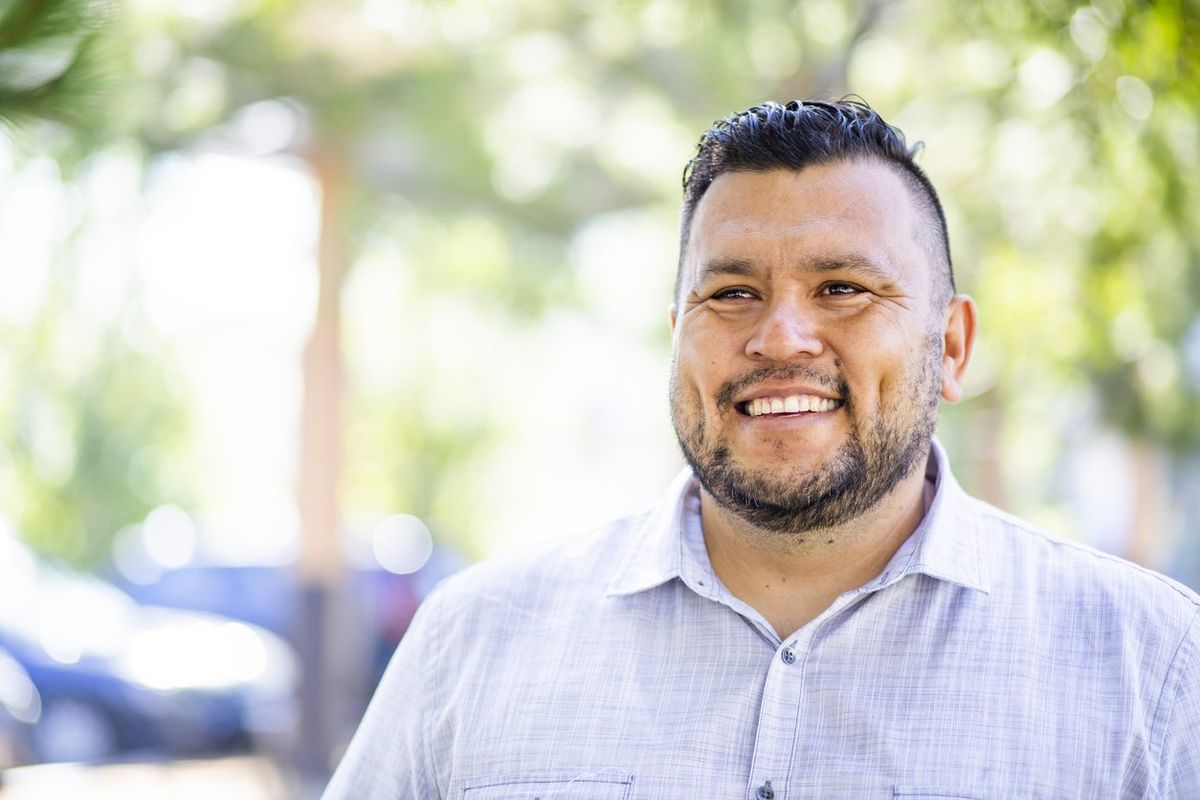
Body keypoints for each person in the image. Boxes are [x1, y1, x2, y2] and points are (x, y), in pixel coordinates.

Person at [323, 99, 1200, 799]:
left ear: (952, 347)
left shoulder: (1154, 667)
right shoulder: (471, 642)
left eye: (843, 288)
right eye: (733, 293)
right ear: (677, 337)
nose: (780, 337)